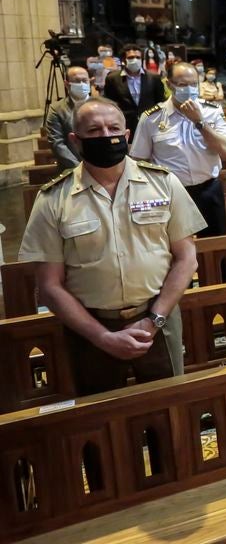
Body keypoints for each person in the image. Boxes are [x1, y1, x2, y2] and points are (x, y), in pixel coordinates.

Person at [18, 98, 206, 395]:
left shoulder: (164, 183)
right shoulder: (53, 199)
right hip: (90, 328)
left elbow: (186, 259)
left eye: (113, 128)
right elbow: (50, 286)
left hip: (158, 320)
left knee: (170, 415)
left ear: (127, 135)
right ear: (75, 140)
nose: (106, 136)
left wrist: (154, 320)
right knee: (103, 424)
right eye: (94, 130)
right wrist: (103, 337)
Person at [131, 62, 226, 237]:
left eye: (193, 84)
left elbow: (225, 151)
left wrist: (199, 122)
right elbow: (139, 161)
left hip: (209, 191)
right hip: (170, 194)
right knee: (177, 249)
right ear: (169, 84)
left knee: (217, 249)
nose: (189, 89)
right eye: (182, 85)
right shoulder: (151, 118)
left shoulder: (213, 112)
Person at [104, 44, 166, 135]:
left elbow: (160, 101)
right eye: (131, 57)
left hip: (151, 122)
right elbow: (110, 102)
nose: (135, 60)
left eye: (138, 57)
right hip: (126, 124)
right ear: (123, 60)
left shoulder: (154, 77)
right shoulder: (112, 78)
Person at [45, 66, 93, 171]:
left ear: (90, 82)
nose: (81, 84)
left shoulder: (103, 104)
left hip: (103, 167)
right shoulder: (57, 109)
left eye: (84, 80)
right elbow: (56, 142)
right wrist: (78, 169)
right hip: (72, 170)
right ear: (67, 84)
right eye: (77, 81)